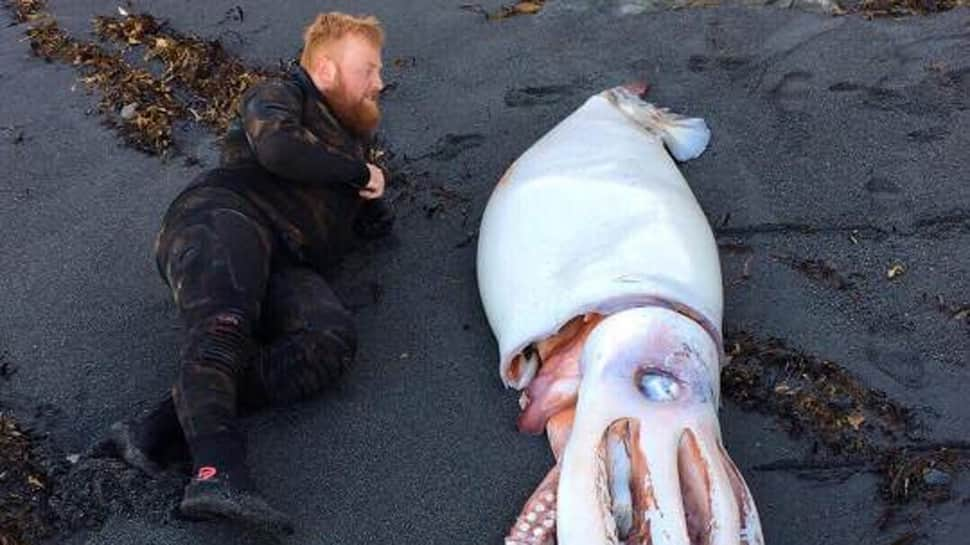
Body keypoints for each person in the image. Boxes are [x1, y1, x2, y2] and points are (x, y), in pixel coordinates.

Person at [105, 12, 394, 534]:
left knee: (328, 341)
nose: (380, 81)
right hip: (222, 218)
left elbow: (347, 214)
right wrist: (357, 173)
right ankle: (219, 471)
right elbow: (279, 149)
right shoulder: (279, 95)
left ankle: (156, 429)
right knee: (225, 329)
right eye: (368, 69)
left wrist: (372, 203)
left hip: (287, 257)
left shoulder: (351, 142)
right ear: (326, 69)